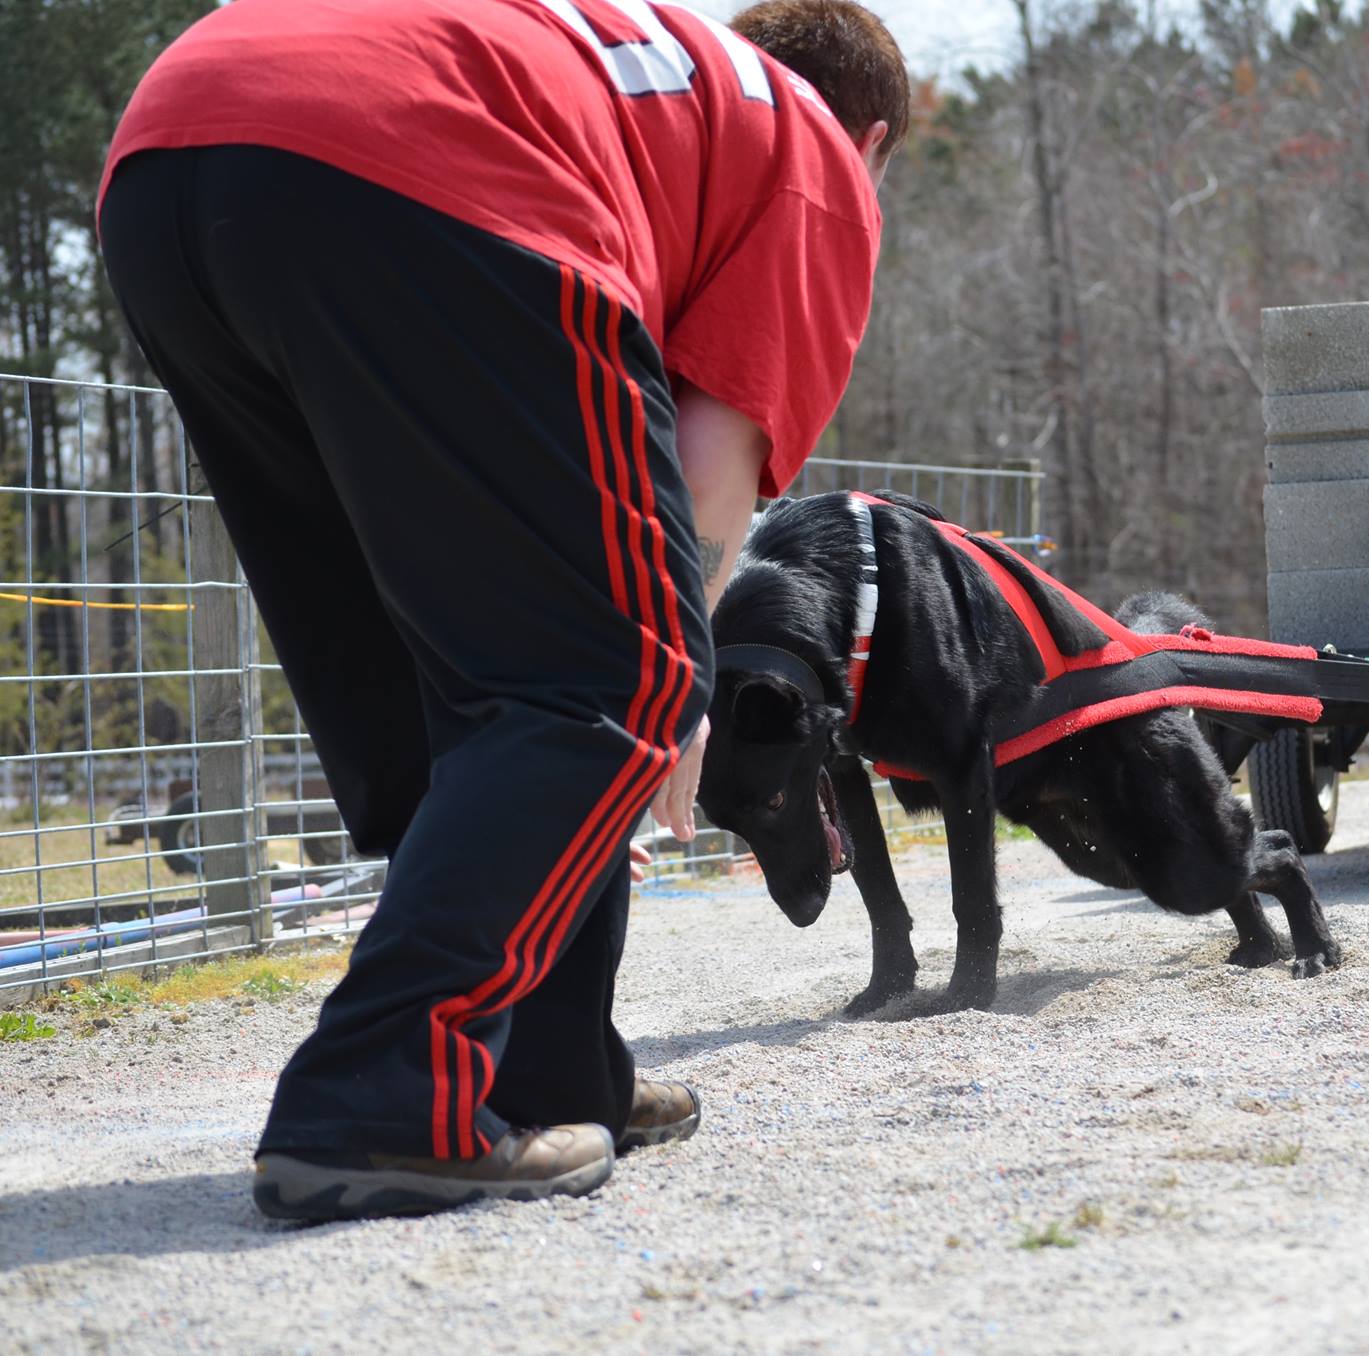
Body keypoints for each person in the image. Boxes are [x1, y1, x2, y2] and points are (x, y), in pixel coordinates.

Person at [97, 0, 906, 1219]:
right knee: (603, 679)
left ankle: (545, 1074)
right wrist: (666, 680)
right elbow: (703, 482)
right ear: (877, 139)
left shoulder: (644, 81)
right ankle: (379, 1099)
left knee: (450, 673)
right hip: (416, 166)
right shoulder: (815, 159)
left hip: (170, 154)